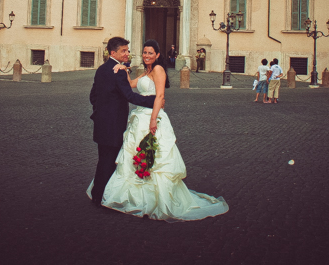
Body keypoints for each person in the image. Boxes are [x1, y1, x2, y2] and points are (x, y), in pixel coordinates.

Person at [87, 39, 228, 221]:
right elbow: (128, 87)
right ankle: (118, 194)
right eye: (144, 52)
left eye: (150, 53)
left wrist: (154, 116)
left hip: (149, 117)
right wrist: (124, 70)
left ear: (158, 55)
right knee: (128, 156)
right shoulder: (144, 71)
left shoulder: (158, 70)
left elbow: (159, 95)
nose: (145, 56)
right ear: (113, 53)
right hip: (137, 116)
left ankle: (145, 196)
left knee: (150, 157)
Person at [88, 37, 159, 207]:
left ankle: (98, 192)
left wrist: (101, 111)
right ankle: (102, 196)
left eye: (128, 50)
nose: (128, 53)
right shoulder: (118, 71)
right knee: (109, 160)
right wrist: (153, 101)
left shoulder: (101, 69)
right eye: (124, 51)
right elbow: (129, 96)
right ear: (113, 53)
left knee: (103, 158)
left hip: (101, 123)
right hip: (113, 124)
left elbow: (93, 96)